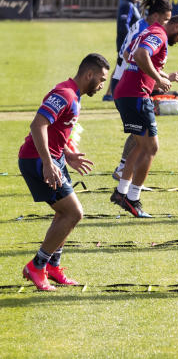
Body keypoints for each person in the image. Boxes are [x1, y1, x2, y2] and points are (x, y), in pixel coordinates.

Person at [18, 54, 110, 290]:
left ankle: (52, 267)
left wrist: (66, 154)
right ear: (88, 74)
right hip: (38, 161)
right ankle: (37, 266)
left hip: (54, 158)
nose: (102, 86)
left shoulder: (74, 94)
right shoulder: (65, 94)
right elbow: (38, 125)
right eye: (101, 79)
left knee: (64, 215)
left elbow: (56, 130)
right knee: (73, 213)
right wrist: (49, 164)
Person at [111, 13, 178, 217]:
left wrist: (164, 75)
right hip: (135, 94)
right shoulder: (160, 34)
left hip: (127, 92)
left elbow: (130, 55)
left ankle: (121, 193)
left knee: (140, 146)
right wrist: (159, 79)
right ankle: (133, 198)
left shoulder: (148, 30)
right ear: (175, 26)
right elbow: (140, 55)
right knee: (151, 147)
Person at [109, 0, 172, 184]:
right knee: (144, 138)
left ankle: (125, 174)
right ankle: (125, 174)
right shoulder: (148, 29)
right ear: (156, 17)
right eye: (166, 20)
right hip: (127, 82)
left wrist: (161, 75)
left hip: (124, 80)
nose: (167, 25)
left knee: (140, 134)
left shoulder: (143, 26)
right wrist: (158, 77)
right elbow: (133, 56)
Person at [104, 0, 144, 101]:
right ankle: (109, 94)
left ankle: (111, 93)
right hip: (125, 44)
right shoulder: (128, 5)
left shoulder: (133, 5)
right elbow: (123, 24)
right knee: (120, 67)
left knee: (123, 67)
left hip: (128, 43)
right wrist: (130, 41)